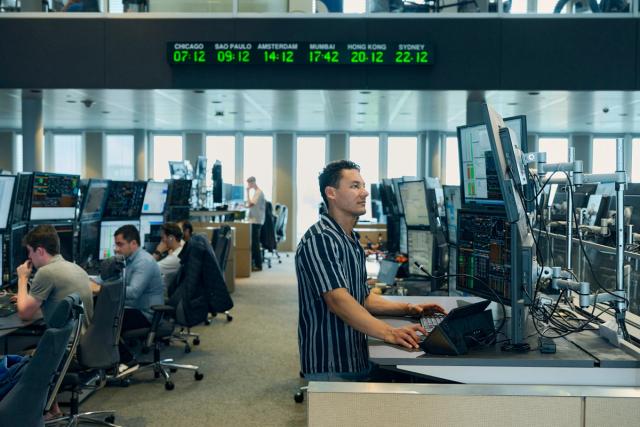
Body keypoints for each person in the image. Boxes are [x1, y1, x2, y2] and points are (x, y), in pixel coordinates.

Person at [296, 160, 445, 381]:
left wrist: (410, 308)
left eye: (363, 185)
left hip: (355, 354)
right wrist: (389, 332)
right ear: (331, 193)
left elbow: (362, 297)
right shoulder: (321, 239)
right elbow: (338, 300)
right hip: (332, 361)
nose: (364, 192)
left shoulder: (349, 238)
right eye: (355, 186)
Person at [15, 224, 94, 329]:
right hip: (82, 341)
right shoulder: (78, 269)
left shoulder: (46, 273)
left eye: (29, 251)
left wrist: (22, 278)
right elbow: (56, 304)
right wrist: (26, 299)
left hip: (64, 344)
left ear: (39, 251)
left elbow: (24, 314)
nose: (29, 256)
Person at [92, 225, 163, 334]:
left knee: (103, 318)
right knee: (95, 304)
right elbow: (109, 278)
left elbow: (134, 292)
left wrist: (101, 289)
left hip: (144, 313)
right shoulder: (126, 259)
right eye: (116, 244)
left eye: (120, 244)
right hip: (129, 307)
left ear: (133, 243)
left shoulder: (144, 262)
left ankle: (110, 349)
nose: (116, 249)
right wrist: (92, 282)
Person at [152, 222, 185, 290]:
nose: (161, 241)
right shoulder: (182, 245)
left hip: (165, 293)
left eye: (162, 238)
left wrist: (158, 251)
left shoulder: (175, 257)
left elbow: (148, 269)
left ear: (170, 238)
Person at [246, 176, 266, 272]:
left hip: (256, 221)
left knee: (255, 244)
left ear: (253, 183)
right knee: (255, 243)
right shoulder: (257, 192)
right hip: (256, 220)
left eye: (249, 184)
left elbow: (250, 204)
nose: (248, 186)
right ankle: (255, 263)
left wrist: (247, 192)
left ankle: (258, 265)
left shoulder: (258, 193)